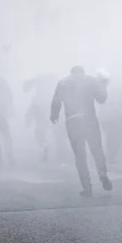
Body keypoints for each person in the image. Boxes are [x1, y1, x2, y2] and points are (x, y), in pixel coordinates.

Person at [50, 66, 113, 196]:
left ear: (71, 72)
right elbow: (102, 99)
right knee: (97, 149)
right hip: (89, 119)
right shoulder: (91, 81)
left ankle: (87, 187)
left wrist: (54, 115)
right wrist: (104, 84)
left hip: (72, 121)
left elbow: (56, 101)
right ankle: (102, 174)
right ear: (83, 72)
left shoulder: (63, 82)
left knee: (80, 155)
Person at [0, 69, 15, 166]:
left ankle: (7, 157)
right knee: (6, 136)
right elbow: (9, 95)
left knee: (6, 136)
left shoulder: (2, 81)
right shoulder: (2, 81)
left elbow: (9, 95)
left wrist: (11, 107)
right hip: (2, 113)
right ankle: (7, 157)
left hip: (2, 113)